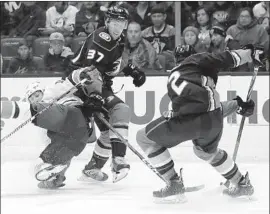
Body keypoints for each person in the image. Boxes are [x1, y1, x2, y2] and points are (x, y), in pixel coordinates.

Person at [135, 46, 258, 202]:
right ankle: (241, 183)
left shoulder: (175, 74)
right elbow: (224, 61)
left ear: (175, 60)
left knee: (143, 138)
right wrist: (237, 104)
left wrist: (248, 54)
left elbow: (194, 107)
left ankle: (173, 183)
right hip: (212, 121)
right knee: (205, 152)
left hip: (189, 121)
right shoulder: (199, 69)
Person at [66, 6, 146, 183]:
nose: (119, 27)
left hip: (98, 85)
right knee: (120, 111)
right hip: (82, 85)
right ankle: (118, 160)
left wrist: (130, 69)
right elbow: (90, 71)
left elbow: (111, 60)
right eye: (115, 23)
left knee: (107, 131)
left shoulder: (117, 38)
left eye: (122, 23)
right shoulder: (101, 39)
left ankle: (92, 170)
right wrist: (95, 94)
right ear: (107, 22)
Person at [1, 67, 103, 189]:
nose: (35, 99)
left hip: (74, 114)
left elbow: (70, 80)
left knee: (27, 110)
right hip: (81, 136)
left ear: (42, 92)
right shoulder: (44, 125)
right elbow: (60, 149)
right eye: (32, 98)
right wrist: (58, 175)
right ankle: (54, 176)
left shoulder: (51, 92)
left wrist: (80, 74)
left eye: (37, 95)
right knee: (41, 164)